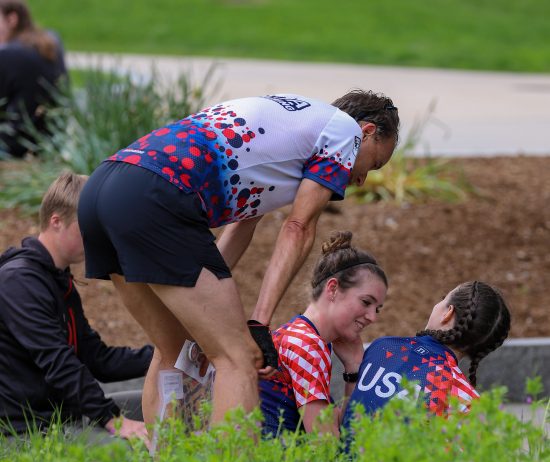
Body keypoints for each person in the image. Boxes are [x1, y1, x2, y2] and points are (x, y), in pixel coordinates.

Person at [77, 89, 400, 427]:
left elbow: (240, 227)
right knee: (240, 358)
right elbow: (299, 227)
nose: (362, 179)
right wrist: (258, 325)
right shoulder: (344, 132)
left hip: (106, 186)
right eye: (374, 163)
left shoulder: (295, 126)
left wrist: (203, 306)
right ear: (366, 132)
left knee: (174, 348)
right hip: (156, 193)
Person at [0, 171, 153, 441]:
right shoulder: (19, 281)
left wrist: (164, 355)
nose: (96, 240)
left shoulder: (58, 279)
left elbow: (96, 358)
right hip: (29, 430)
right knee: (126, 451)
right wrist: (113, 420)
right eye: (87, 230)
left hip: (66, 413)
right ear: (56, 221)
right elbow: (59, 363)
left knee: (166, 401)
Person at [259, 231, 388, 437]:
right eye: (366, 302)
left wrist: (354, 368)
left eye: (377, 309)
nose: (373, 317)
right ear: (333, 289)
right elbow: (326, 444)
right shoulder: (306, 344)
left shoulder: (299, 334)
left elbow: (337, 424)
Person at [342, 281, 511, 433]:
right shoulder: (466, 401)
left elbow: (349, 420)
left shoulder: (382, 347)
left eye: (444, 298)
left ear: (448, 313)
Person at [0, 0, 67, 158]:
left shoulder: (9, 54)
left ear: (11, 20)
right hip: (51, 142)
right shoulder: (52, 40)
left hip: (14, 147)